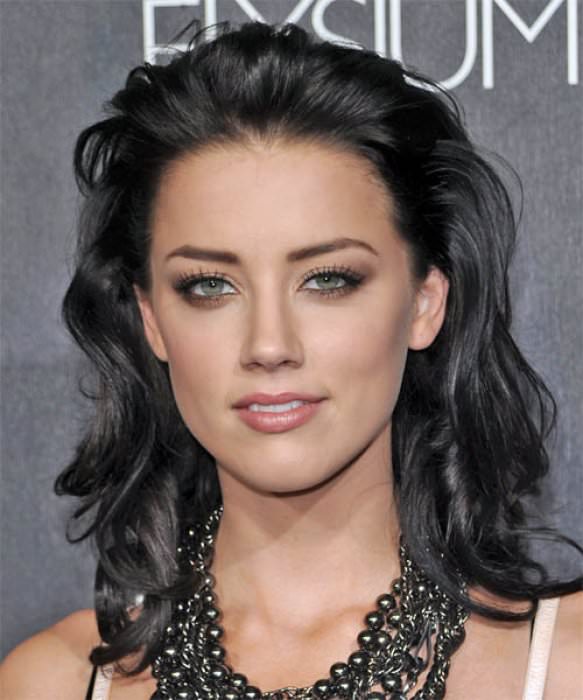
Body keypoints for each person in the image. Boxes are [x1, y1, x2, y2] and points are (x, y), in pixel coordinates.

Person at [1, 19, 581, 700]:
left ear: (424, 302)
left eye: (327, 279)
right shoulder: (54, 683)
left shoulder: (564, 666)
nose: (269, 345)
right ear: (151, 319)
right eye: (209, 286)